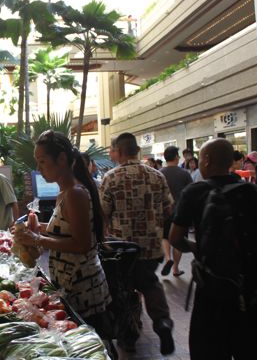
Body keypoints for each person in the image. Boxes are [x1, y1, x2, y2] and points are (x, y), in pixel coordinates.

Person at [169, 138, 257, 359]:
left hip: (211, 287)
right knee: (250, 350)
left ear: (208, 160)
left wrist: (197, 248)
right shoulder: (252, 192)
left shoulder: (194, 192)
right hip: (250, 289)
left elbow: (175, 238)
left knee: (209, 350)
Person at [14, 130, 112, 331]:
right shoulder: (65, 193)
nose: (38, 168)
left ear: (62, 158)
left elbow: (82, 244)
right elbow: (66, 232)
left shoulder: (75, 193)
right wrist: (35, 228)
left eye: (42, 161)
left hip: (83, 288)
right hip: (70, 284)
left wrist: (37, 239)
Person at [99, 132, 175, 355]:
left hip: (121, 249)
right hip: (151, 246)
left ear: (120, 151)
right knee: (149, 283)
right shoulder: (156, 176)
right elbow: (169, 208)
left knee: (123, 290)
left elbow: (103, 215)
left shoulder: (111, 178)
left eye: (113, 150)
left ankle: (128, 337)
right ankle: (162, 321)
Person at [160, 146, 192, 277]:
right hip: (180, 211)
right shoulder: (184, 173)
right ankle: (175, 269)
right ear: (176, 157)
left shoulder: (159, 173)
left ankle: (168, 258)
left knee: (165, 237)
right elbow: (190, 193)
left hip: (164, 210)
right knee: (178, 240)